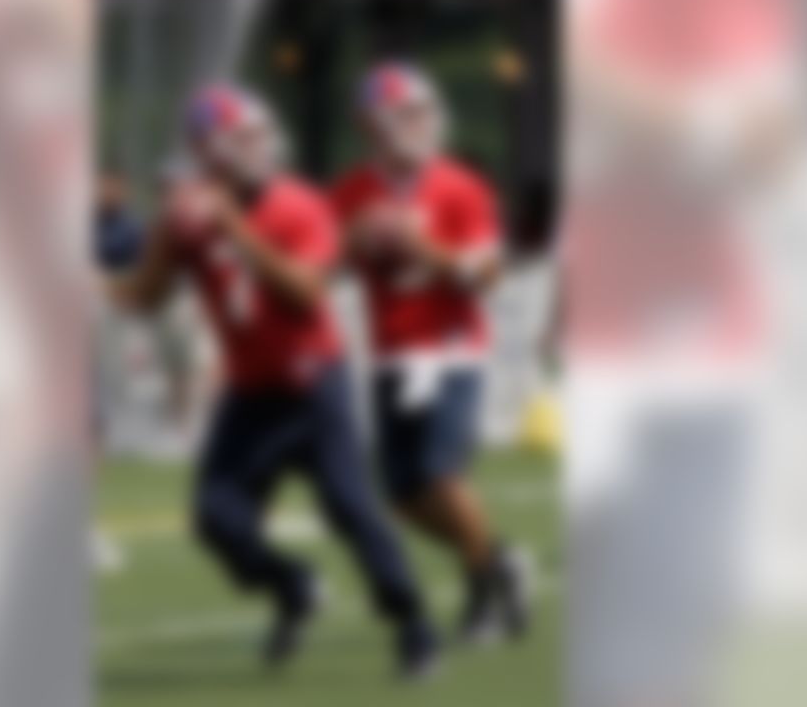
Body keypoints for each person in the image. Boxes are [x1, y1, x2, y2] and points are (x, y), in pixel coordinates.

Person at [107, 84, 439, 679]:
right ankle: (292, 585)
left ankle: (413, 621)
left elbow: (305, 291)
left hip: (315, 384)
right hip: (251, 392)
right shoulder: (185, 215)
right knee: (216, 517)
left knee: (348, 505)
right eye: (244, 137)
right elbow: (147, 295)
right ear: (209, 150)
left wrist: (233, 225)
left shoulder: (300, 204)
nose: (259, 146)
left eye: (259, 134)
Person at [331, 62, 529, 644]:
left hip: (451, 349)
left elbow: (486, 278)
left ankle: (483, 593)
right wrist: (353, 235)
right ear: (373, 124)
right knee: (403, 498)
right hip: (392, 353)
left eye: (423, 111)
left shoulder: (463, 186)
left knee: (442, 474)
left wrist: (420, 244)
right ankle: (497, 560)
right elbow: (319, 270)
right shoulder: (350, 192)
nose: (421, 123)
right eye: (407, 113)